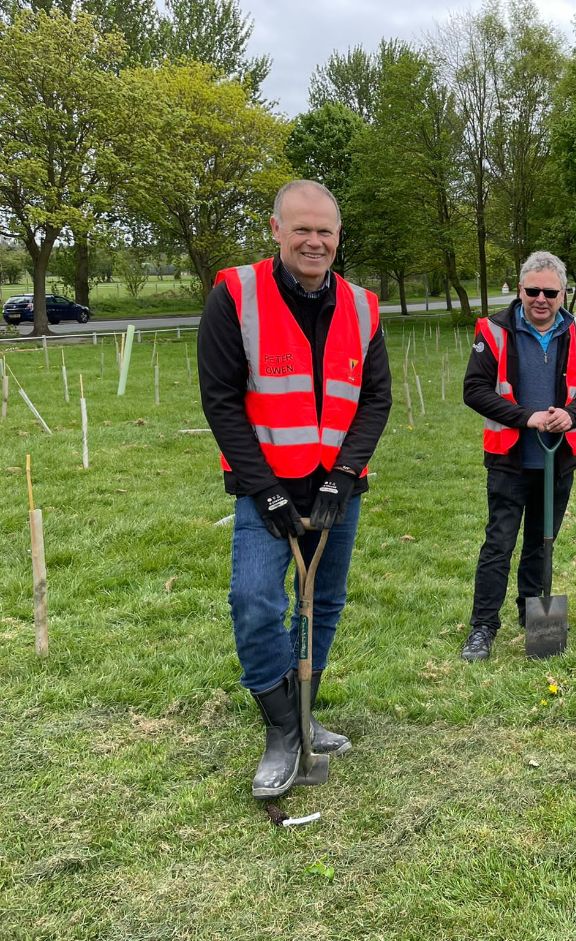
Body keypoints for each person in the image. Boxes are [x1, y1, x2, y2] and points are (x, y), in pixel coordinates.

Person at [198, 179, 392, 797]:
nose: (314, 241)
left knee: (323, 603)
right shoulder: (237, 294)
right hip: (268, 490)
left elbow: (374, 399)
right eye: (301, 228)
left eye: (325, 231)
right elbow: (222, 400)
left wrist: (343, 475)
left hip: (337, 489)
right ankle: (283, 729)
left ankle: (303, 714)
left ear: (338, 237)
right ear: (277, 230)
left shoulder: (363, 306)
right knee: (255, 602)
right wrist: (266, 489)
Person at [461, 250, 576, 661]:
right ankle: (483, 628)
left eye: (550, 292)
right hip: (510, 459)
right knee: (499, 544)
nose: (540, 299)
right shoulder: (492, 330)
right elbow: (475, 390)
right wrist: (526, 418)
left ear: (563, 293)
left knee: (542, 543)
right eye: (532, 291)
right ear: (520, 289)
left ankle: (534, 618)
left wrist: (570, 414)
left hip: (556, 460)